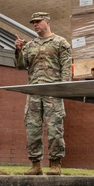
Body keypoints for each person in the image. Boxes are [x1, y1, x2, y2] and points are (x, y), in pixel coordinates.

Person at [14, 12, 71, 175]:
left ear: (47, 22)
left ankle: (55, 163)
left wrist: (64, 87)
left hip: (53, 91)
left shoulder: (60, 42)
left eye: (38, 22)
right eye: (33, 23)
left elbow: (66, 66)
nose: (35, 25)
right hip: (34, 92)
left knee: (55, 129)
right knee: (32, 129)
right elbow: (20, 65)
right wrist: (18, 50)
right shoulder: (30, 45)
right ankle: (35, 165)